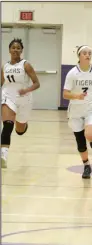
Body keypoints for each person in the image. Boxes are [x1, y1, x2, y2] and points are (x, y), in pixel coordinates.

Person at [63, 45, 92, 179]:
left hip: (91, 109)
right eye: (84, 53)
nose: (87, 55)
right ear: (79, 56)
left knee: (89, 135)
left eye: (89, 53)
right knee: (80, 142)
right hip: (75, 110)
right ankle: (86, 165)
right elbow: (65, 94)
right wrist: (76, 96)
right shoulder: (72, 73)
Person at [1, 38, 40, 168]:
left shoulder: (25, 65)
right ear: (9, 50)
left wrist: (26, 89)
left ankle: (24, 125)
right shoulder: (5, 67)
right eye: (13, 47)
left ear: (21, 50)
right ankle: (3, 156)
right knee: (7, 126)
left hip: (24, 99)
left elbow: (37, 83)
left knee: (19, 131)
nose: (15, 50)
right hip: (8, 97)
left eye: (18, 48)